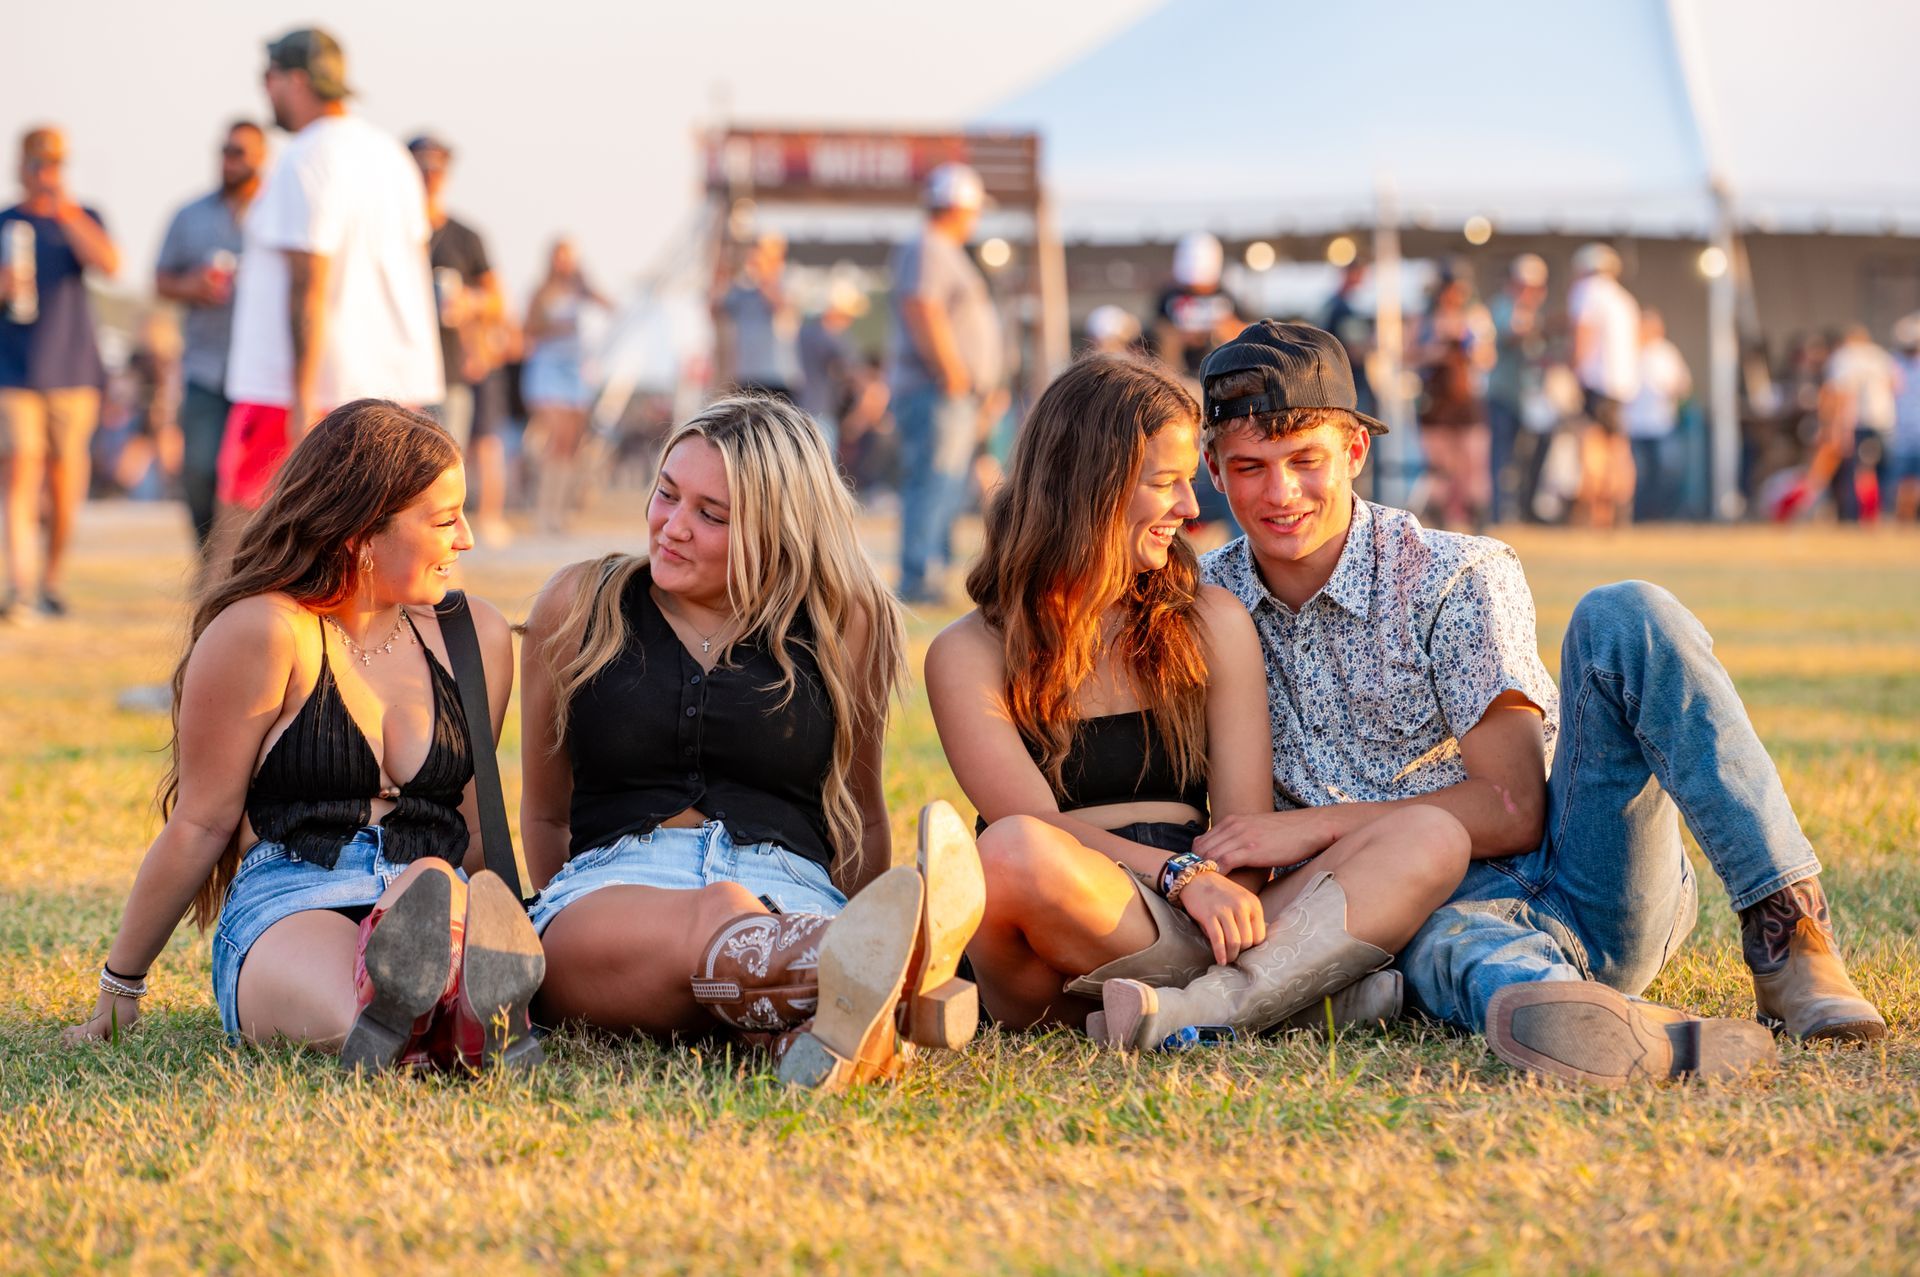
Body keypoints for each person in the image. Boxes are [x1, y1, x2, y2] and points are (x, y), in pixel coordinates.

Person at [1195, 320, 1885, 1087]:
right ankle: (1599, 1021)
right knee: (1459, 952)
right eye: (1251, 467)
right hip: (1420, 916)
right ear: (1213, 470)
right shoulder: (1198, 602)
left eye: (1306, 460)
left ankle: (1791, 935)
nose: (1281, 492)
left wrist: (1305, 827)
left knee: (1625, 612)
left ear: (1356, 451)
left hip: (1582, 874)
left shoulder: (1453, 573)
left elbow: (1512, 808)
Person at [925, 353, 1467, 1047]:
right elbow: (1033, 824)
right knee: (1009, 852)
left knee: (1432, 834)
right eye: (1165, 483)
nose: (1188, 508)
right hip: (1067, 918)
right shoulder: (969, 651)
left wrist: (1215, 890)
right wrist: (1179, 876)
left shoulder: (1209, 620)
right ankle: (1287, 993)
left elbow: (1245, 833)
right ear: (1087, 487)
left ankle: (1208, 1006)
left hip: (1208, 909)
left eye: (1189, 481)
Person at [519, 394, 986, 1090]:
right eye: (667, 494)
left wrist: (839, 901)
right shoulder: (581, 603)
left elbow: (860, 817)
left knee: (746, 918)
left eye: (712, 515)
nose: (673, 526)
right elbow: (544, 813)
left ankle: (808, 1025)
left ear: (778, 530)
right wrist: (570, 908)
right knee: (720, 911)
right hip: (613, 896)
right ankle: (872, 974)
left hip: (790, 889)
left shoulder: (843, 621)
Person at [61, 400, 541, 1073]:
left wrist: (521, 923)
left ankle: (446, 998)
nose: (466, 538)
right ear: (363, 531)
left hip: (436, 887)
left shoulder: (475, 636)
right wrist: (121, 989)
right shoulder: (265, 632)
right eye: (443, 519)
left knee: (432, 880)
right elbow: (201, 822)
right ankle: (454, 1017)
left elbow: (476, 830)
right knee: (364, 1021)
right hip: (294, 896)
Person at [221, 28, 443, 529]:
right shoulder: (391, 156)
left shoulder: (306, 156)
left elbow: (309, 282)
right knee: (384, 535)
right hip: (389, 386)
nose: (265, 89)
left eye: (270, 76)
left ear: (297, 80)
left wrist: (301, 398)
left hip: (298, 390)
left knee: (246, 530)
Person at [0, 126, 120, 620]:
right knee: (20, 467)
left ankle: (50, 580)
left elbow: (109, 264)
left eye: (53, 164)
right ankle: (20, 588)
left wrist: (65, 210)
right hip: (12, 370)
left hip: (72, 369)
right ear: (20, 165)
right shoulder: (6, 222)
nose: (44, 173)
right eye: (37, 164)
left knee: (66, 478)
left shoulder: (83, 215)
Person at [886, 162, 1001, 604]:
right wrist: (951, 370)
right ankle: (920, 577)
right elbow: (922, 306)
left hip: (948, 391)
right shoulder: (929, 246)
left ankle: (931, 573)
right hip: (936, 389)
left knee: (946, 483)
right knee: (934, 481)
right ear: (958, 206)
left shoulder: (940, 248)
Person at [156, 120, 265, 557]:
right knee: (200, 471)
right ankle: (209, 563)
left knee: (257, 480)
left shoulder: (276, 212)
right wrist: (192, 286)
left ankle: (244, 565)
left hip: (261, 373)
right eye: (225, 150)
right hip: (207, 365)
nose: (230, 160)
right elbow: (161, 280)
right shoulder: (190, 215)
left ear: (261, 158)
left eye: (240, 152)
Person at [409, 133, 511, 547]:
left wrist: (469, 302)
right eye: (421, 165)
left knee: (443, 467)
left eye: (437, 166)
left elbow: (497, 300)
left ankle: (442, 556)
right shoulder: (389, 232)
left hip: (448, 367)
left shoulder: (465, 236)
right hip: (397, 368)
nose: (429, 174)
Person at [521, 237, 607, 533]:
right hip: (549, 368)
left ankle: (560, 510)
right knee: (556, 439)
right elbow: (528, 327)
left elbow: (610, 307)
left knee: (571, 444)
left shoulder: (581, 290)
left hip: (576, 370)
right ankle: (544, 510)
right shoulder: (542, 292)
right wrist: (556, 327)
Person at [1412, 271, 1496, 531]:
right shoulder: (1425, 321)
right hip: (1436, 402)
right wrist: (1437, 350)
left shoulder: (1475, 319)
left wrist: (1466, 344)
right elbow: (1410, 354)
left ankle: (1477, 518)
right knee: (1440, 464)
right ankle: (1440, 519)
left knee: (1473, 462)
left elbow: (1486, 357)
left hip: (1467, 401)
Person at [1566, 243, 1641, 528]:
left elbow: (1582, 336)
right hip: (1622, 385)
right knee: (1618, 448)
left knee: (1592, 446)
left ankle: (1594, 512)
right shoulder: (1624, 300)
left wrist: (1573, 373)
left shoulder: (1587, 292)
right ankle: (1619, 511)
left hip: (1596, 382)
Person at [1486, 254, 1548, 523]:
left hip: (1528, 398)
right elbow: (1511, 335)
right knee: (1501, 456)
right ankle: (1499, 511)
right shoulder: (1503, 306)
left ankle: (1525, 507)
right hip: (1503, 394)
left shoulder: (1532, 312)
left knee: (1528, 456)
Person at [1818, 324, 1900, 523]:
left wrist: (1839, 428)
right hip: (1883, 419)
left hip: (1855, 422)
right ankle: (1884, 513)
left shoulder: (1842, 358)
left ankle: (1853, 516)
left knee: (1851, 471)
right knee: (1882, 469)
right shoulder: (1880, 356)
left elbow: (1841, 394)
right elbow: (1897, 385)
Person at [1624, 309, 1692, 522]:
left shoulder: (1667, 353)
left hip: (1661, 424)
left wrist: (1673, 392)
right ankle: (1640, 516)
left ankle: (1663, 514)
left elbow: (1684, 384)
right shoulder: (1628, 351)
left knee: (1667, 472)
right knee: (1639, 476)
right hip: (1634, 425)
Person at [715, 231, 795, 400]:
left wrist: (764, 273)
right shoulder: (742, 289)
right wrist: (723, 268)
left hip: (776, 377)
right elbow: (716, 307)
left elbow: (779, 305)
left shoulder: (785, 283)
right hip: (746, 377)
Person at [795, 275, 868, 455]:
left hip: (801, 408)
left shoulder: (805, 333)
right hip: (822, 414)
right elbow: (855, 375)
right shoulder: (833, 340)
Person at [1890, 313, 1920, 523]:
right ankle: (1904, 517)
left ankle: (1909, 516)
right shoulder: (1894, 363)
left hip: (1913, 430)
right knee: (1903, 479)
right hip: (1900, 432)